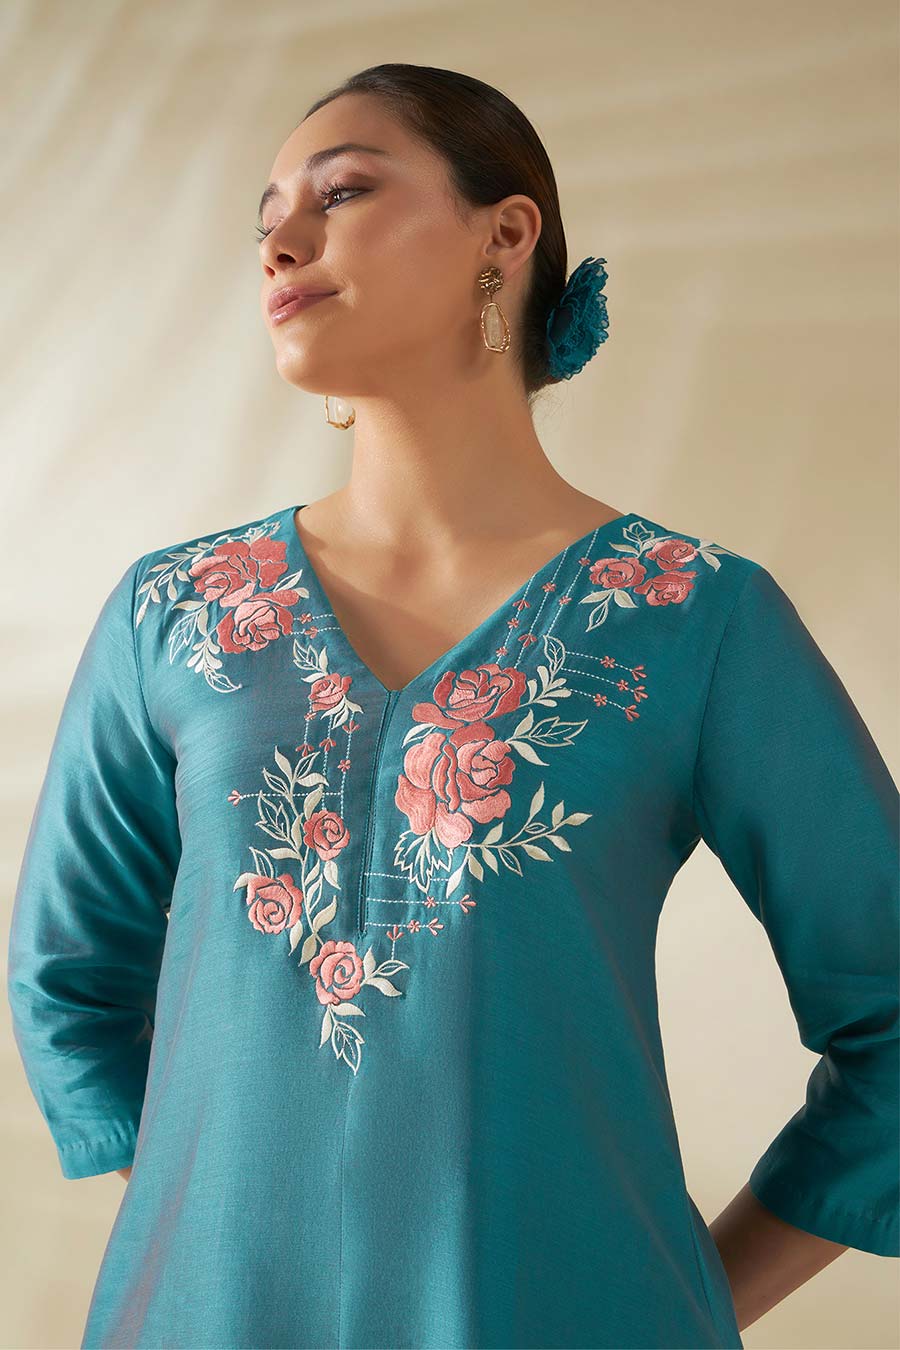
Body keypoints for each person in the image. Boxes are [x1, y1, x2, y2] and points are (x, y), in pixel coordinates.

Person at [7, 63, 898, 1350]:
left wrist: (679, 1303)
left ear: (506, 232)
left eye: (342, 193)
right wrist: (223, 1239)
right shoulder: (177, 613)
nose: (282, 242)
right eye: (265, 219)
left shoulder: (693, 617)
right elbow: (68, 981)